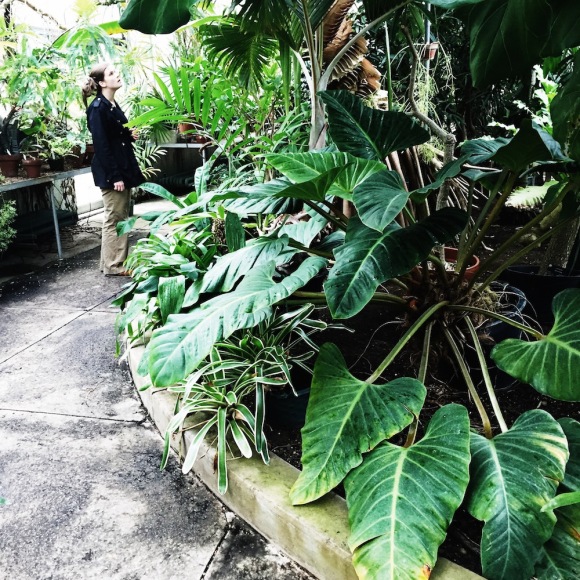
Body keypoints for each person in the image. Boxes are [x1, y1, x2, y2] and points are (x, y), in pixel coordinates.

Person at [82, 62, 144, 276]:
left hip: (121, 167)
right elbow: (101, 145)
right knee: (115, 219)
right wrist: (115, 176)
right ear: (101, 83)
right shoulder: (98, 108)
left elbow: (114, 135)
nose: (117, 75)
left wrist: (128, 135)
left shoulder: (110, 104)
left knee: (118, 216)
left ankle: (109, 263)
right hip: (112, 172)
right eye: (111, 73)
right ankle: (114, 266)